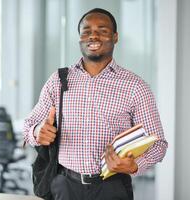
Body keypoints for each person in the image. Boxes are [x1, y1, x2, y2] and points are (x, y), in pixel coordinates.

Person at [23, 8, 168, 200]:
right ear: (80, 38)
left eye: (103, 30)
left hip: (112, 188)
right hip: (64, 185)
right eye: (86, 31)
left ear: (115, 37)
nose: (93, 35)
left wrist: (134, 165)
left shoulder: (135, 86)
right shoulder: (58, 80)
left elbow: (158, 144)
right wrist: (37, 132)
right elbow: (28, 126)